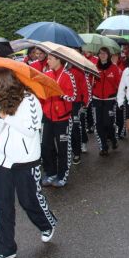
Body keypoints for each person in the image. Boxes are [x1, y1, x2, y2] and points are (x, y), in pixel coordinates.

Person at [0, 67, 56, 258]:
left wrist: (8, 117)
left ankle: (47, 224)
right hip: (3, 161)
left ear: (4, 84)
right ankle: (6, 248)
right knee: (2, 205)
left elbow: (31, 129)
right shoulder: (1, 100)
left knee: (28, 201)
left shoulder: (30, 100)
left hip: (26, 161)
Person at [41, 54, 77, 188]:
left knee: (63, 148)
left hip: (63, 118)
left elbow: (73, 96)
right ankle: (51, 173)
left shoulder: (68, 75)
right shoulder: (47, 74)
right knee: (46, 146)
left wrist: (60, 94)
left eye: (50, 58)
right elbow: (42, 94)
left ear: (58, 60)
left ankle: (62, 176)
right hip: (48, 116)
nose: (48, 61)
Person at [92, 47, 121, 155]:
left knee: (108, 123)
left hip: (110, 99)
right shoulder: (94, 67)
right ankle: (104, 147)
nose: (102, 55)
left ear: (108, 55)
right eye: (100, 53)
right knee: (98, 124)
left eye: (104, 53)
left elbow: (119, 83)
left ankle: (113, 138)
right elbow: (90, 82)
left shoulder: (114, 68)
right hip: (97, 99)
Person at [111, 52, 127, 140]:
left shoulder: (122, 66)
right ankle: (113, 132)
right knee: (113, 113)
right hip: (112, 93)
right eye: (112, 56)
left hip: (121, 92)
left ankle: (122, 132)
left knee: (121, 113)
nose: (114, 57)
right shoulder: (109, 66)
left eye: (115, 56)